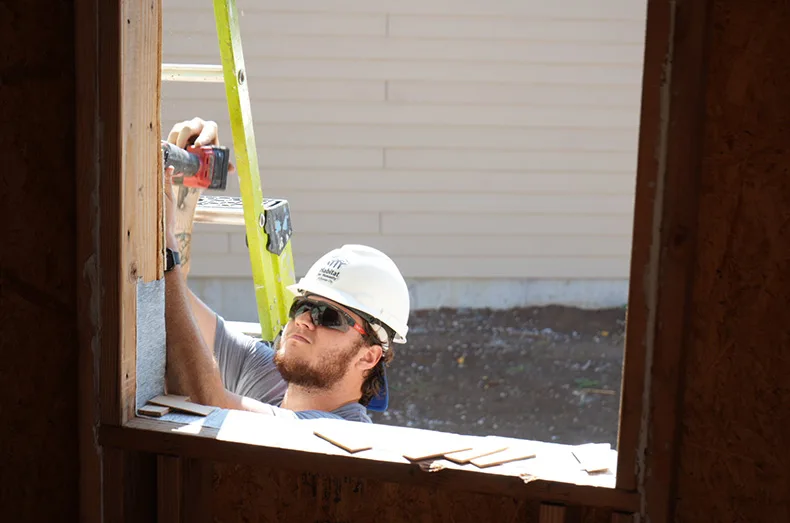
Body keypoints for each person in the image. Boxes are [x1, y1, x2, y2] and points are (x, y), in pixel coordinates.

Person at [163, 117, 410, 423]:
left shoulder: (344, 432)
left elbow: (205, 400)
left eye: (328, 317)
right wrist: (182, 180)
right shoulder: (267, 374)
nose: (304, 319)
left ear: (369, 356)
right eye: (301, 306)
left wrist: (166, 249)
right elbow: (173, 301)